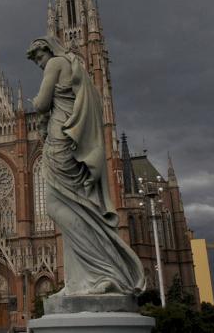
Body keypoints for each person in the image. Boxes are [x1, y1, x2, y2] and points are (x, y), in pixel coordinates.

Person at [27, 36, 145, 296]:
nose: (38, 63)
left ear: (47, 49)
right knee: (77, 206)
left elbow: (41, 103)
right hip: (73, 139)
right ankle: (81, 280)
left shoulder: (56, 63)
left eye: (38, 57)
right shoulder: (73, 65)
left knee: (58, 206)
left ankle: (98, 271)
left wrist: (35, 103)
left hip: (61, 139)